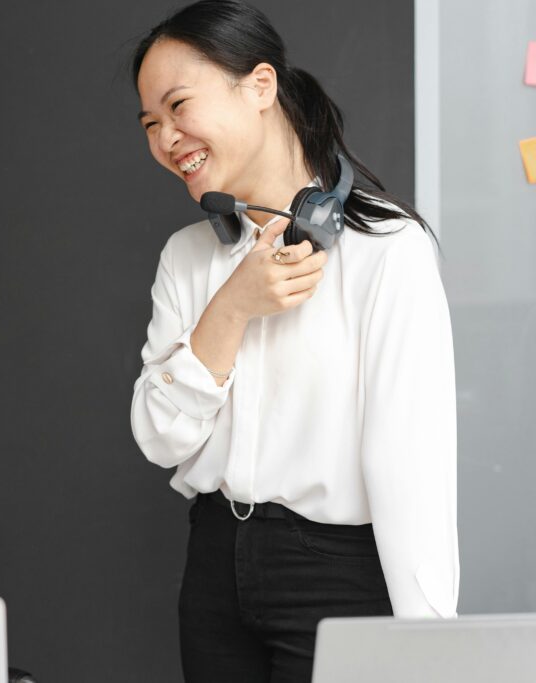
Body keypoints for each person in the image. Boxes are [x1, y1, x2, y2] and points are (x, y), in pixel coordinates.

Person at [128, 2, 457, 681]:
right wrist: (233, 305)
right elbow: (161, 438)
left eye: (178, 105)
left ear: (260, 87)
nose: (166, 139)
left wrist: (431, 648)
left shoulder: (388, 251)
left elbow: (411, 471)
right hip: (215, 567)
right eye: (151, 124)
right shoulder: (187, 258)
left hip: (339, 577)